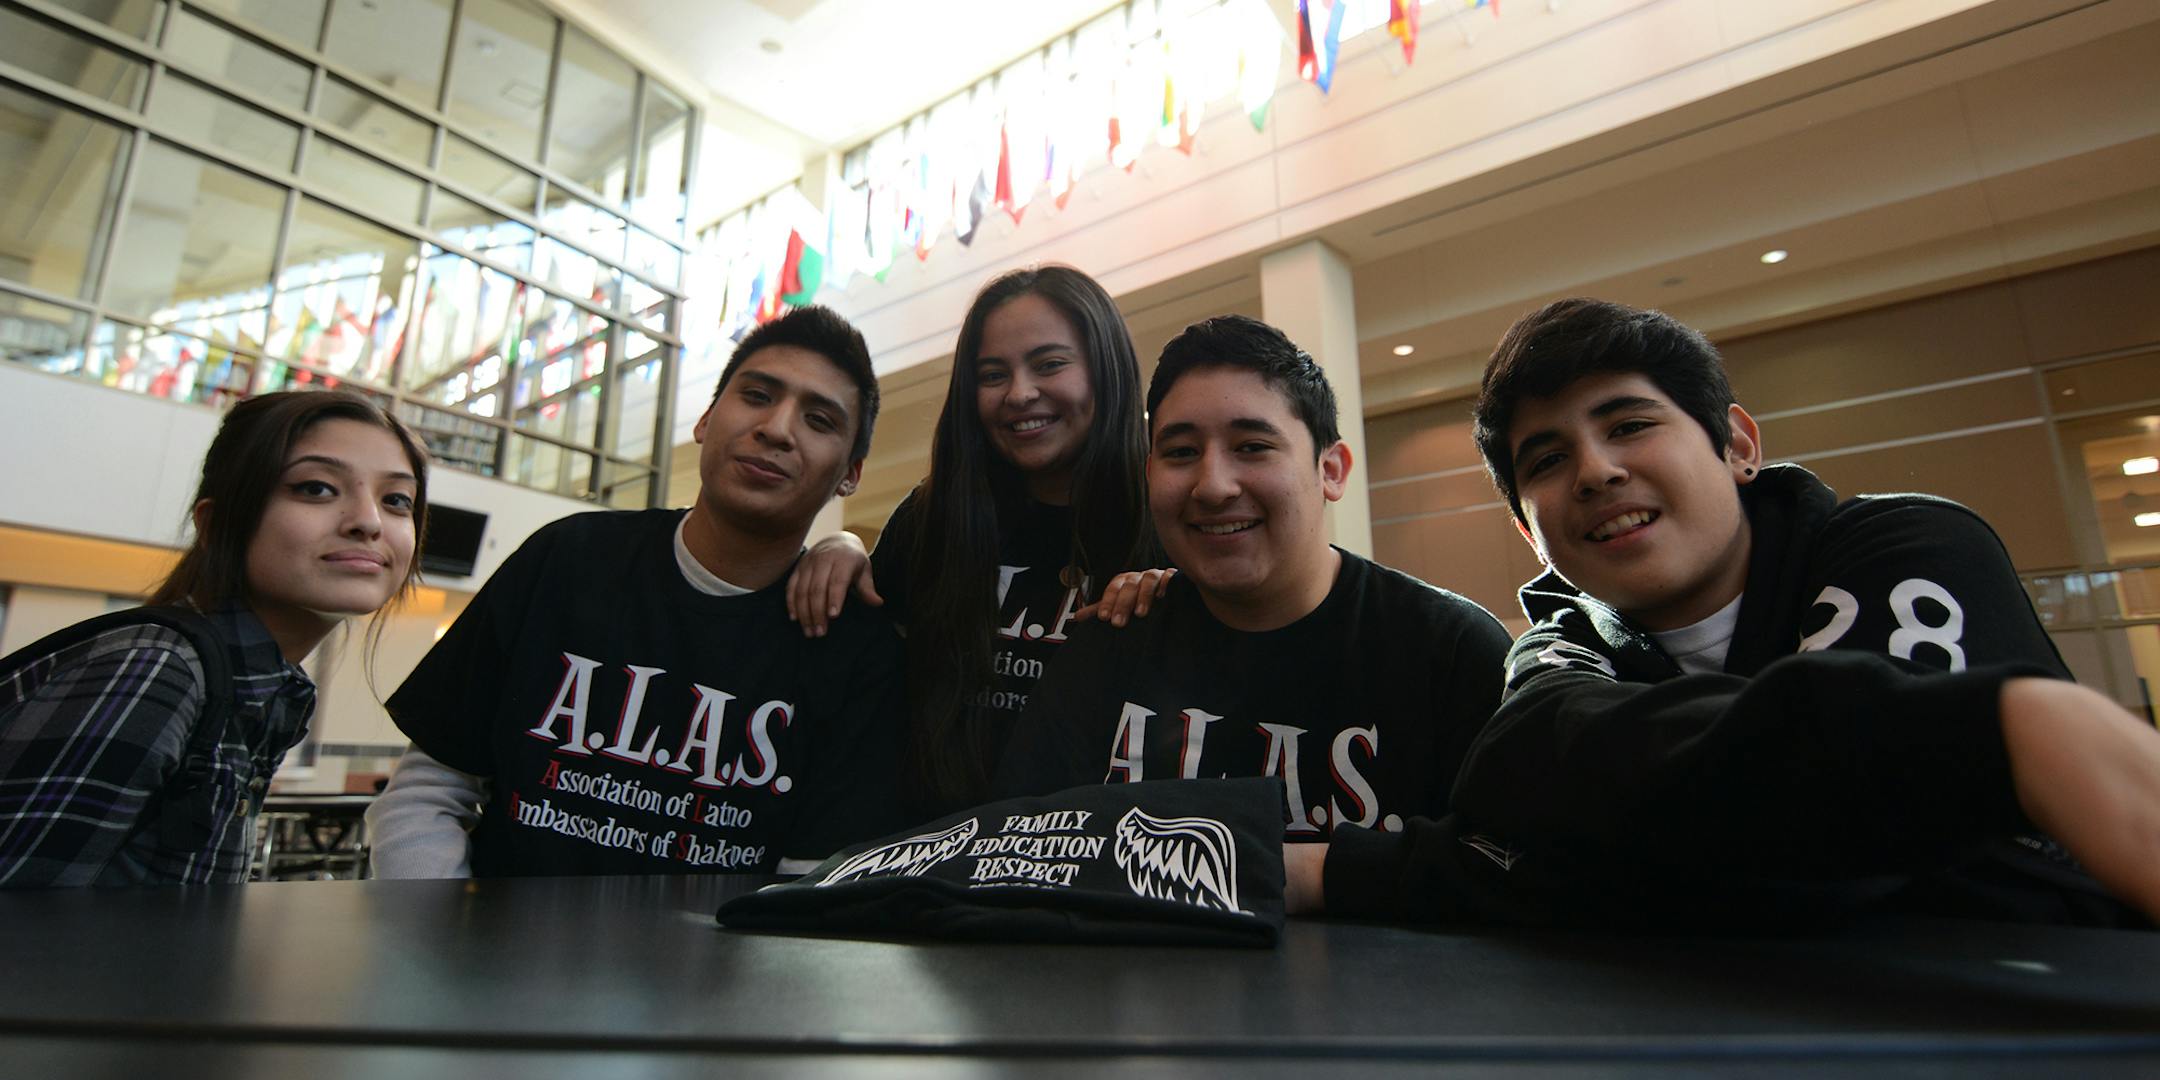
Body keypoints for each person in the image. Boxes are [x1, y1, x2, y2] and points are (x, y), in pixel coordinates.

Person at [1313, 297, 2160, 925]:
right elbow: (1517, 785)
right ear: (1530, 532)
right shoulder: (1556, 649)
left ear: (1739, 446)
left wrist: (1612, 833)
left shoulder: (1911, 544)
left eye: (1629, 425)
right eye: (1547, 460)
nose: (1596, 471)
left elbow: (1857, 842)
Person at [368, 305, 905, 878]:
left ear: (851, 474)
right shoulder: (566, 559)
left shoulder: (854, 648)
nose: (776, 428)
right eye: (756, 396)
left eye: (819, 420)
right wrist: (441, 928)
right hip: (489, 935)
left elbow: (810, 883)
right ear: (705, 420)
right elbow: (428, 792)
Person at [992, 315, 1514, 857]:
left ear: (1331, 470)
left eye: (1252, 446)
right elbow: (1013, 849)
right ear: (1150, 474)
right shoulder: (1107, 648)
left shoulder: (1449, 654)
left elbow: (1511, 871)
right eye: (1181, 453)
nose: (1213, 486)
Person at [0, 389, 426, 887]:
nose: (369, 522)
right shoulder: (156, 670)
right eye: (316, 488)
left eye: (397, 500)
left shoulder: (257, 692)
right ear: (217, 523)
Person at [785, 265, 1154, 816]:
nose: (1020, 393)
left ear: (1107, 370)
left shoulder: (1166, 520)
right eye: (992, 374)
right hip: (931, 848)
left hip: (1101, 849)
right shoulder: (934, 518)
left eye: (1050, 364)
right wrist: (843, 546)